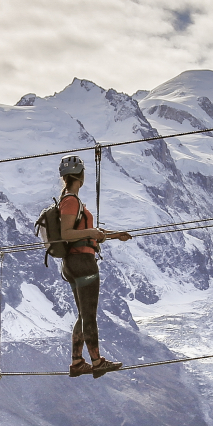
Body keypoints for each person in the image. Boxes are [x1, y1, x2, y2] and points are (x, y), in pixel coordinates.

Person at [58, 155, 132, 378]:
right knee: (89, 315)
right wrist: (91, 233)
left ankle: (77, 362)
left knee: (83, 315)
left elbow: (83, 233)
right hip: (83, 263)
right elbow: (67, 234)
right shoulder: (71, 201)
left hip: (72, 264)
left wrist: (114, 235)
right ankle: (97, 362)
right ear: (81, 176)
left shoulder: (70, 200)